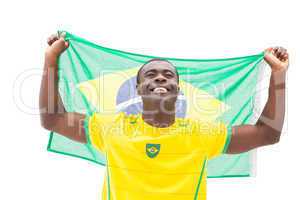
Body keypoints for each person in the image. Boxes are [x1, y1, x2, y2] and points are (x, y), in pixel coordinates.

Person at [40, 33, 289, 200]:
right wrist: (51, 59)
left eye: (169, 75)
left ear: (178, 90)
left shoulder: (201, 133)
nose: (160, 77)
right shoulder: (111, 127)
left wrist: (278, 75)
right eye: (150, 75)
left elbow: (268, 133)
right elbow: (51, 119)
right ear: (138, 89)